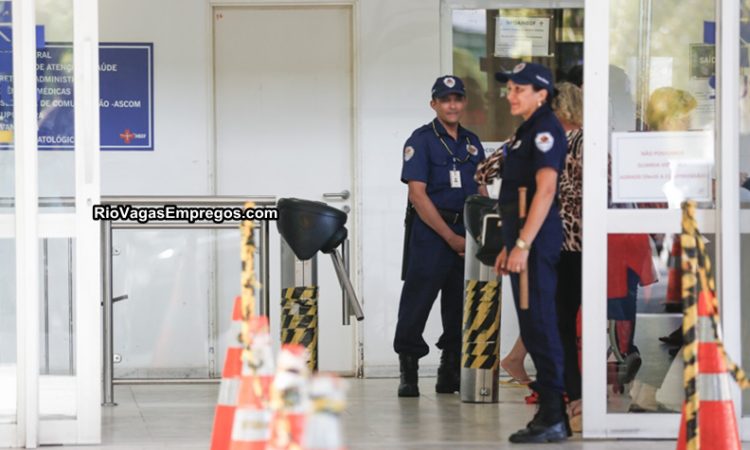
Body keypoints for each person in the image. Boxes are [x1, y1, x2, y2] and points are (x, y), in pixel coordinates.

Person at [395, 75, 486, 397]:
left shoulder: (472, 142)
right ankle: (409, 372)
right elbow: (418, 196)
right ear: (434, 104)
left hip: (467, 231)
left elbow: (481, 189)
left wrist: (476, 236)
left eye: (457, 99)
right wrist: (450, 238)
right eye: (445, 99)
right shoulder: (421, 141)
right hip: (433, 232)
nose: (452, 105)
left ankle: (449, 370)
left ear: (463, 103)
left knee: (460, 305)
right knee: (417, 301)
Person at [493, 62, 569, 443]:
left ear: (541, 93)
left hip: (535, 244)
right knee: (531, 326)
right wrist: (510, 245)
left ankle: (554, 414)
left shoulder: (544, 130)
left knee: (540, 324)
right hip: (523, 241)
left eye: (519, 89)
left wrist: (523, 244)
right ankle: (551, 413)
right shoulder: (527, 129)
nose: (511, 94)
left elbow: (545, 191)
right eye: (509, 88)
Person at [550, 81, 584, 431]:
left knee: (560, 322)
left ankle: (575, 399)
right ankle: (576, 397)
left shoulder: (566, 143)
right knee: (565, 322)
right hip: (581, 245)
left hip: (567, 245)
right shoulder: (584, 142)